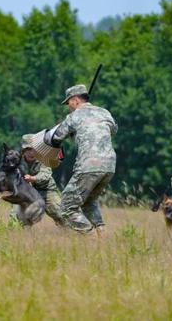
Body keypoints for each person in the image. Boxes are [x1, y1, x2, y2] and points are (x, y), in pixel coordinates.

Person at [45, 84, 118, 234]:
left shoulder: (73, 117)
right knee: (89, 201)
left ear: (76, 100)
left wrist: (70, 131)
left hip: (88, 165)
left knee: (66, 206)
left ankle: (89, 236)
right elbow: (113, 130)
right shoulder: (105, 112)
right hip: (109, 166)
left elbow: (56, 137)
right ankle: (101, 235)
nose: (68, 107)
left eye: (68, 103)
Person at [10, 134, 65, 226]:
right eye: (28, 150)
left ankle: (71, 233)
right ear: (23, 151)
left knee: (61, 215)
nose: (32, 153)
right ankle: (16, 235)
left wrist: (33, 179)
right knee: (16, 214)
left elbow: (45, 175)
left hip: (46, 190)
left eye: (34, 149)